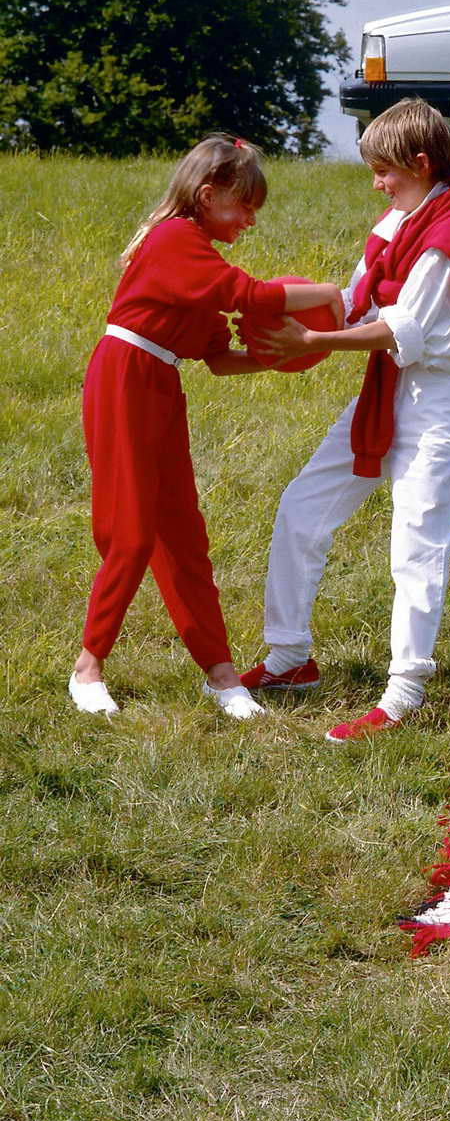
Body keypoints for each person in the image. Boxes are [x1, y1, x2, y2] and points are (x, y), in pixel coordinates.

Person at [242, 98, 450, 741]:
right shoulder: (400, 221)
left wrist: (311, 342)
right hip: (386, 390)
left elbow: (398, 330)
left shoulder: (449, 237)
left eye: (385, 171)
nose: (378, 184)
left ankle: (405, 691)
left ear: (421, 162)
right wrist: (266, 306)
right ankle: (289, 657)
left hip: (436, 400)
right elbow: (356, 301)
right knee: (302, 506)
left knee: (416, 541)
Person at [71, 137, 345, 720]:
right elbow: (248, 295)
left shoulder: (201, 258)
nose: (250, 220)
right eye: (244, 205)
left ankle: (221, 675)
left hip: (159, 383)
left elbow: (220, 358)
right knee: (132, 534)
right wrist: (333, 295)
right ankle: (88, 666)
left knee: (184, 534)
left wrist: (290, 351)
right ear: (206, 195)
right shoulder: (175, 240)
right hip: (123, 376)